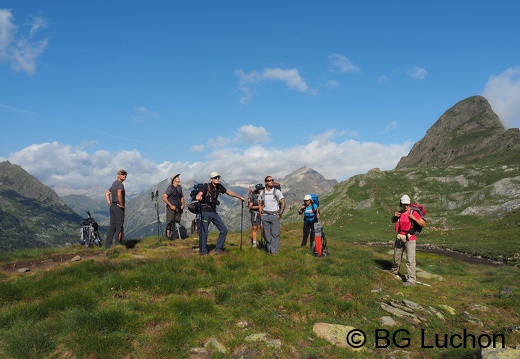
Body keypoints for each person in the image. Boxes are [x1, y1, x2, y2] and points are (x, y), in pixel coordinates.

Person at [195, 171, 246, 255]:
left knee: (224, 230)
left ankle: (218, 249)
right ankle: (203, 252)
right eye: (215, 178)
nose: (217, 179)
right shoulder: (206, 186)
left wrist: (239, 197)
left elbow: (228, 192)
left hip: (213, 211)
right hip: (205, 212)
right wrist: (198, 197)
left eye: (218, 177)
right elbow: (199, 193)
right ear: (211, 179)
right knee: (204, 232)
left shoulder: (219, 187)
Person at [390, 194, 426, 286]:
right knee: (396, 256)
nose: (405, 206)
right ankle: (394, 272)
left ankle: (411, 279)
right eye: (404, 204)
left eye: (407, 204)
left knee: (410, 259)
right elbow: (393, 221)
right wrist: (394, 216)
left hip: (410, 238)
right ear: (401, 204)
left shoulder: (413, 213)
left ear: (409, 204)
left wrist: (414, 218)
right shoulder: (400, 212)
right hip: (400, 236)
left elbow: (423, 224)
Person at [258, 176, 286, 254]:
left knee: (275, 234)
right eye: (269, 180)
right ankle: (269, 251)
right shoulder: (262, 192)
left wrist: (280, 214)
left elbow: (283, 203)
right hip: (265, 215)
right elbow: (260, 204)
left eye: (272, 180)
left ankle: (275, 252)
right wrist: (261, 214)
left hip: (274, 215)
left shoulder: (277, 192)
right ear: (265, 182)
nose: (271, 181)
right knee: (267, 235)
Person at [105, 169, 127, 248]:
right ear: (118, 175)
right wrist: (121, 205)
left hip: (112, 207)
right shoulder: (120, 185)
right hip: (118, 207)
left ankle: (108, 246)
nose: (124, 176)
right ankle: (118, 245)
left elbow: (107, 193)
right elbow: (119, 194)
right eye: (122, 174)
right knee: (119, 226)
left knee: (112, 227)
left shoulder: (114, 183)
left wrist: (109, 202)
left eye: (125, 174)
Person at [162, 173, 185, 239]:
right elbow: (164, 197)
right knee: (170, 222)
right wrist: (170, 205)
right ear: (174, 179)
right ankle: (168, 236)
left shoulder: (179, 187)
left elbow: (182, 197)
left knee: (177, 222)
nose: (179, 178)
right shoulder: (170, 188)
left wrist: (183, 204)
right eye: (177, 177)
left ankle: (175, 236)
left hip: (178, 208)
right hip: (171, 208)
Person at [248, 183, 264, 247]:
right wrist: (259, 207)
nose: (261, 190)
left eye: (262, 189)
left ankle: (265, 241)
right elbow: (250, 206)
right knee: (255, 228)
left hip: (262, 213)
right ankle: (254, 243)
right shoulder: (253, 197)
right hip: (254, 214)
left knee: (263, 228)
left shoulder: (264, 196)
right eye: (260, 189)